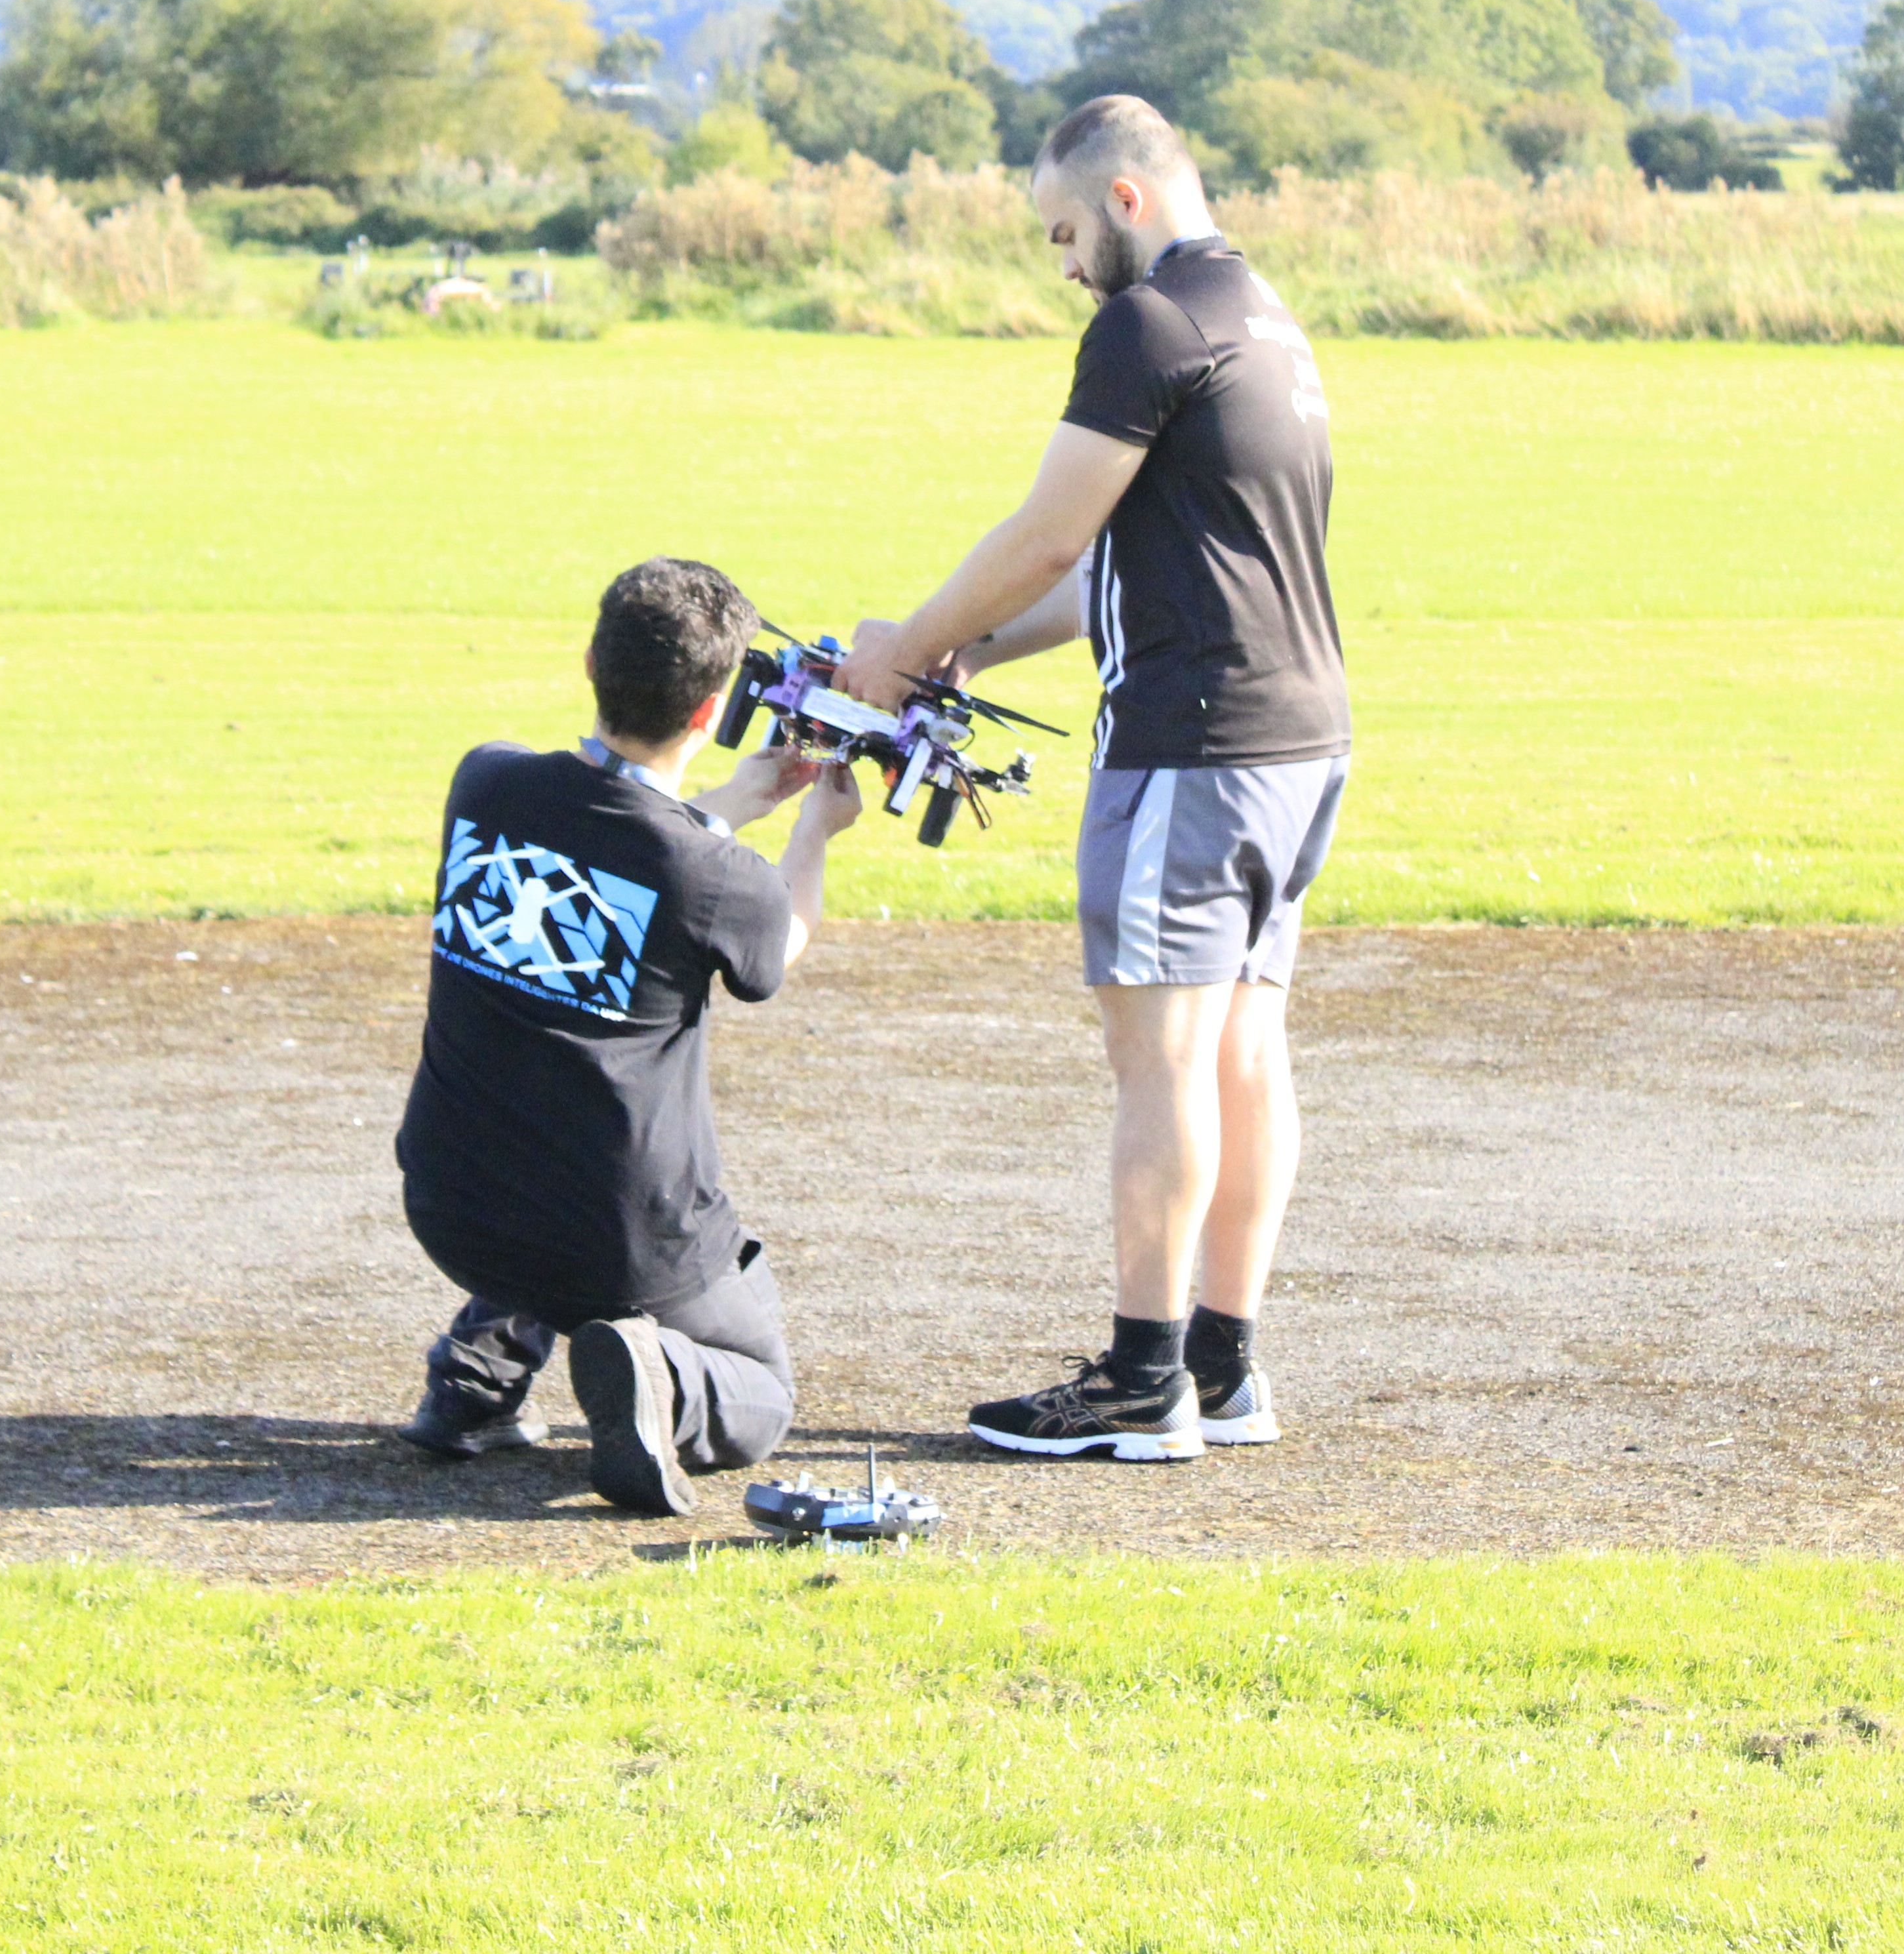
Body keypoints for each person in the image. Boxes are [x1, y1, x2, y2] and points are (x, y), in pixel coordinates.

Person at [838, 94, 1345, 1463]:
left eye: (1064, 229)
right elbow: (1129, 572)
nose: (1061, 262)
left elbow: (1053, 533)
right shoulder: (1263, 315)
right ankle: (1224, 1368)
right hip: (1297, 741)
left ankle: (1141, 1379)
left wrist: (906, 646)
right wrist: (964, 658)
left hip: (1190, 746)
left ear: (1126, 199)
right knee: (1244, 1051)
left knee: (1159, 1060)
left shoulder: (1144, 321)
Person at [394, 555, 861, 1515]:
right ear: (710, 709)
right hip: (624, 1246)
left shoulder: (485, 786)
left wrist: (732, 804)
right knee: (764, 1395)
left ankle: (475, 1380)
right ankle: (661, 1382)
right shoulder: (713, 878)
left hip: (453, 1202)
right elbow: (777, 937)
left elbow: (609, 855)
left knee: (534, 1097)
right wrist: (814, 829)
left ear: (592, 661)